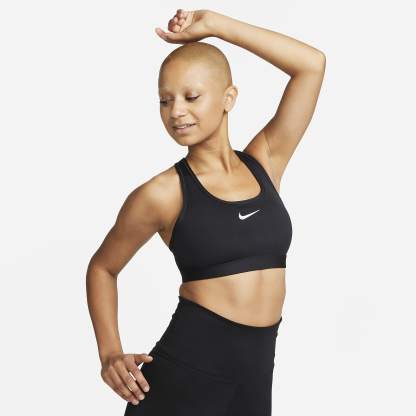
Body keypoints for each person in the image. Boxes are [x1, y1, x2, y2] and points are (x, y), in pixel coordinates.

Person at [86, 8, 326, 416]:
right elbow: (102, 268)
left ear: (229, 98)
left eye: (191, 97)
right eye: (165, 101)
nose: (176, 111)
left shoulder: (265, 162)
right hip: (185, 381)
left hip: (253, 385)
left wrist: (216, 26)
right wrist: (110, 353)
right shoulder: (162, 194)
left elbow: (311, 65)